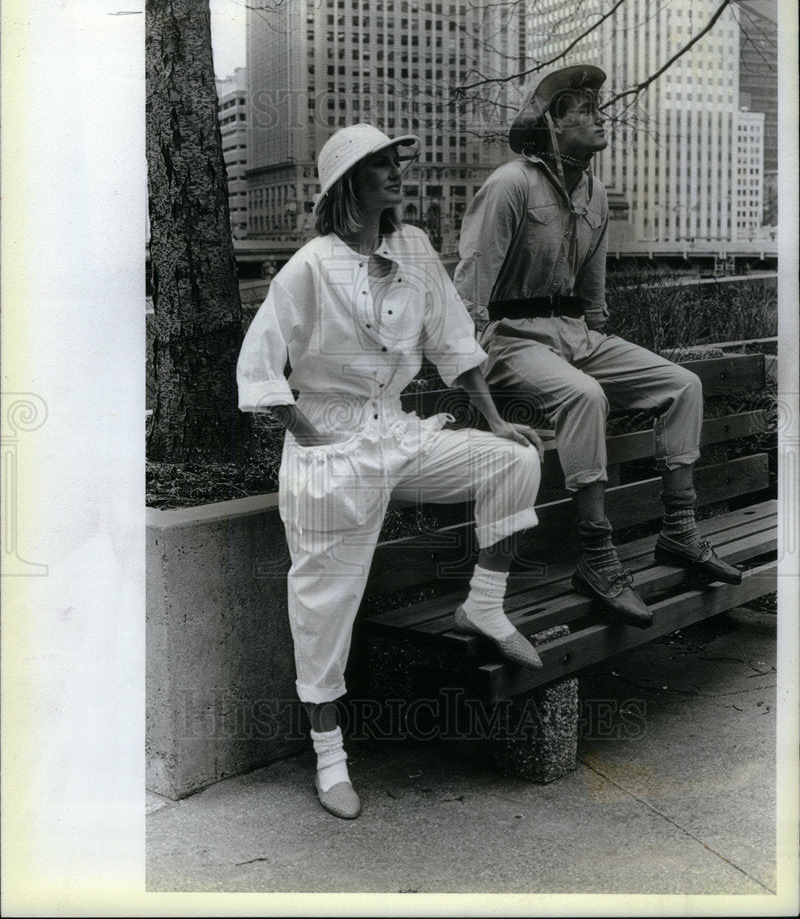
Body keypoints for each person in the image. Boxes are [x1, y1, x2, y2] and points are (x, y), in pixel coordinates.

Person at [237, 124, 545, 820]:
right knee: (323, 605)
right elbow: (259, 367)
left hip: (399, 434)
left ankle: (485, 605)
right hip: (333, 452)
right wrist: (308, 434)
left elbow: (452, 342)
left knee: (516, 460)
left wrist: (494, 419)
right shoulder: (310, 267)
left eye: (395, 160)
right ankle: (330, 760)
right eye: (380, 165)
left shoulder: (411, 248)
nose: (397, 172)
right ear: (349, 183)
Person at [453, 64, 742, 631]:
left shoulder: (594, 190)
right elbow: (471, 283)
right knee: (584, 397)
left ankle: (679, 532)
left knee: (683, 384)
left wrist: (599, 335)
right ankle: (598, 557)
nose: (597, 115)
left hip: (577, 336)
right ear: (552, 126)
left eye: (596, 105)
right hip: (513, 339)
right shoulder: (512, 184)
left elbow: (593, 291)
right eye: (580, 108)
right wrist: (473, 379)